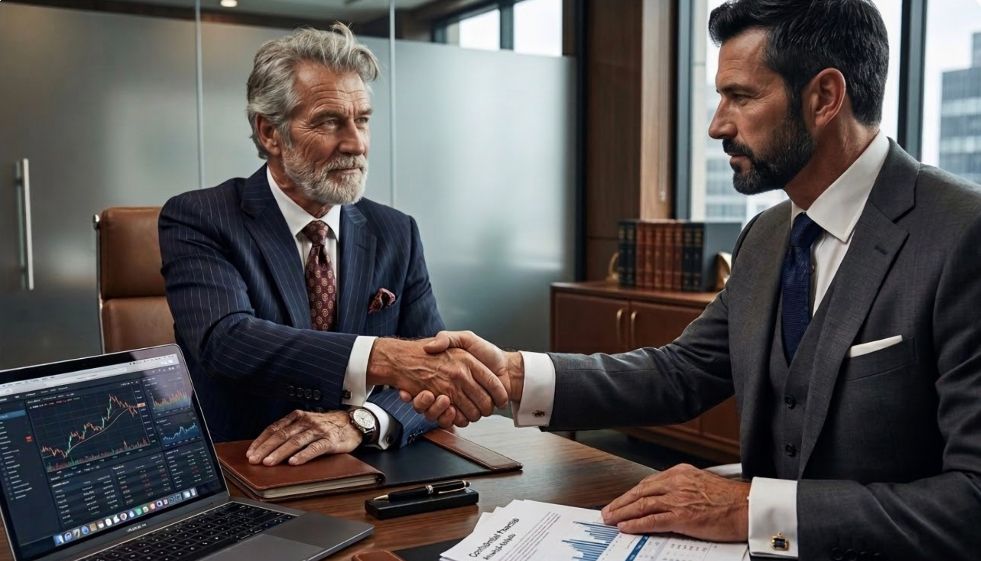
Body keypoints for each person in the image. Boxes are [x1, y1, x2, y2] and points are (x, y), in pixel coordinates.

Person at [404, 1, 981, 559]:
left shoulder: (963, 235)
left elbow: (971, 500)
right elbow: (683, 373)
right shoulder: (766, 237)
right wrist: (510, 375)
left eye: (741, 96)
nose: (715, 125)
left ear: (824, 97)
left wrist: (753, 508)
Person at [159, 24, 506, 468]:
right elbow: (227, 342)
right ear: (270, 134)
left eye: (362, 120)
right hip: (245, 467)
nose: (356, 143)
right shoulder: (201, 217)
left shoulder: (396, 231)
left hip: (371, 464)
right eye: (329, 121)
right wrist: (384, 358)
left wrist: (360, 422)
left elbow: (431, 376)